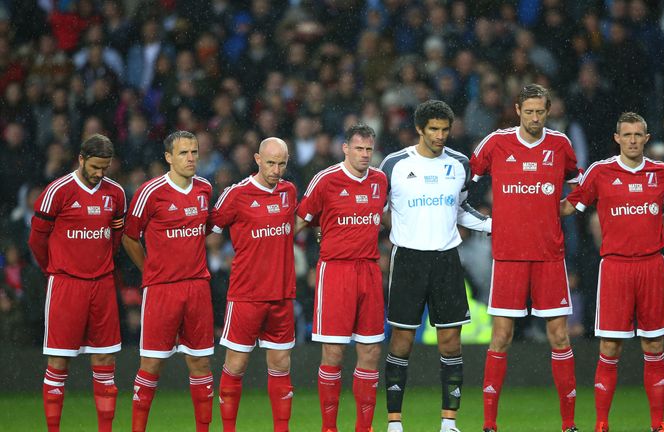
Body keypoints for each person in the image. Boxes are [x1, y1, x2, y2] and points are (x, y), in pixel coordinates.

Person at [470, 84, 581, 432]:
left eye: (541, 112)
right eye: (529, 111)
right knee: (501, 336)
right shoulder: (495, 143)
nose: (535, 117)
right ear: (517, 109)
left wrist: (564, 208)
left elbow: (579, 184)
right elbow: (464, 181)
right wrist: (480, 220)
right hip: (508, 256)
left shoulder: (560, 145)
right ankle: (490, 424)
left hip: (549, 256)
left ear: (548, 111)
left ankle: (569, 425)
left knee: (559, 337)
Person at [378, 100, 491, 432]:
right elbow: (376, 208)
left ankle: (448, 423)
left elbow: (462, 209)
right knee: (401, 340)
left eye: (445, 129)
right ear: (419, 129)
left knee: (451, 342)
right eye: (434, 130)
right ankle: (395, 423)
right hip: (408, 259)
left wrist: (494, 225)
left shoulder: (459, 164)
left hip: (446, 260)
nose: (441, 136)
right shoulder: (394, 164)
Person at [561, 113, 664, 432]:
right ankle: (601, 424)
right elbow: (571, 205)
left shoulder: (660, 172)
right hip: (615, 268)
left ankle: (658, 424)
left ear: (647, 138)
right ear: (617, 138)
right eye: (628, 134)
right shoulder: (600, 172)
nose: (633, 140)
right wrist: (531, 209)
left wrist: (656, 236)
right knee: (610, 347)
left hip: (652, 266)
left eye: (639, 134)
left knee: (654, 346)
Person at [28, 134, 126, 432]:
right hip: (67, 284)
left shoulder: (116, 193)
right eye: (95, 166)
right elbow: (36, 240)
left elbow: (116, 239)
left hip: (102, 285)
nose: (99, 173)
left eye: (105, 168)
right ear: (81, 159)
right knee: (59, 362)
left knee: (105, 359)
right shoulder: (57, 191)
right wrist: (54, 270)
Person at [295, 124, 388, 432]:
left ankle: (364, 427)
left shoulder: (380, 181)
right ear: (345, 149)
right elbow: (299, 221)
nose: (364, 155)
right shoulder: (326, 180)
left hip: (370, 271)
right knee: (334, 352)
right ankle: (329, 427)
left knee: (371, 351)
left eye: (368, 150)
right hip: (335, 271)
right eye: (358, 149)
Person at [122, 131, 215, 432]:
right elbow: (129, 237)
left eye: (195, 152)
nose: (191, 158)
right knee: (151, 365)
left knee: (200, 364)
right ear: (168, 158)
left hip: (198, 287)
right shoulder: (150, 192)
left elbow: (207, 228)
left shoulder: (204, 189)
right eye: (184, 153)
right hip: (162, 290)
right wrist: (150, 269)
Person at [210, 137, 297, 432]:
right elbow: (209, 229)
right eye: (271, 163)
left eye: (282, 163)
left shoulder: (289, 191)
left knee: (281, 366)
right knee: (235, 366)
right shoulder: (236, 194)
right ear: (257, 159)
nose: (276, 170)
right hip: (246, 295)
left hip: (282, 295)